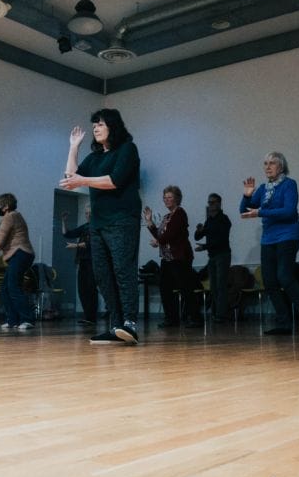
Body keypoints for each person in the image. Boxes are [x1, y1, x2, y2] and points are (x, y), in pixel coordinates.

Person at [60, 109, 142, 345]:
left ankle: (130, 324)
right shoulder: (95, 158)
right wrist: (74, 147)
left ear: (113, 126)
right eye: (94, 125)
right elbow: (71, 177)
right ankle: (116, 326)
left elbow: (114, 180)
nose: (95, 128)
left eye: (101, 124)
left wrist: (83, 180)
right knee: (103, 275)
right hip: (98, 224)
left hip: (122, 220)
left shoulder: (127, 149)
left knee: (123, 271)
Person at [239, 152, 299, 337]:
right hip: (268, 239)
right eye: (265, 163)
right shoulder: (263, 188)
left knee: (285, 277)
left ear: (281, 167)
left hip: (288, 235)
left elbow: (289, 211)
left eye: (272, 163)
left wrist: (261, 212)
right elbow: (244, 211)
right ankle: (284, 323)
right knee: (269, 281)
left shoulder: (289, 184)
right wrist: (247, 196)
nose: (268, 167)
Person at [145, 185, 202, 328]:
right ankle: (171, 318)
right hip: (167, 258)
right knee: (165, 288)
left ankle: (195, 318)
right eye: (164, 197)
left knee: (185, 287)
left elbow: (171, 234)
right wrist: (150, 222)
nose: (166, 200)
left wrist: (158, 241)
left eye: (169, 197)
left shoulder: (180, 213)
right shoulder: (167, 217)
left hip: (179, 257)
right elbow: (160, 234)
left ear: (177, 199)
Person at [0, 193, 36, 331]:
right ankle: (12, 320)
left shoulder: (10, 216)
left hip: (20, 253)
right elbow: (0, 237)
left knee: (14, 287)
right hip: (19, 254)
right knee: (5, 288)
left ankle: (27, 319)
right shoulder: (12, 217)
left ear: (6, 206)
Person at [194, 193, 232, 322]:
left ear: (219, 204)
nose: (211, 205)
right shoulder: (209, 220)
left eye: (213, 202)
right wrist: (199, 230)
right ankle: (216, 313)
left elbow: (221, 240)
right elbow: (197, 237)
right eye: (209, 202)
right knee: (214, 286)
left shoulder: (224, 220)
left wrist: (204, 247)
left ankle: (221, 314)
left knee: (221, 285)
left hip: (222, 255)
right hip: (212, 256)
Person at [62, 207, 99, 325]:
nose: (88, 215)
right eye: (86, 213)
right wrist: (64, 221)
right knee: (82, 289)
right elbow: (68, 234)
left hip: (92, 261)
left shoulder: (97, 226)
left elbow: (90, 243)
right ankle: (87, 316)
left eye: (90, 213)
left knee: (91, 288)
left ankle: (92, 317)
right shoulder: (85, 226)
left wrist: (76, 245)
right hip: (82, 261)